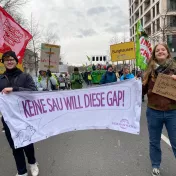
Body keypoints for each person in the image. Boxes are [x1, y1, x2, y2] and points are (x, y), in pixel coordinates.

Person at [0, 51, 39, 176]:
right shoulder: (0, 79)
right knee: (15, 145)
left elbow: (33, 93)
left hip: (24, 117)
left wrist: (14, 89)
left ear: (17, 61)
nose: (9, 61)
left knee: (27, 142)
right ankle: (22, 171)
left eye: (12, 59)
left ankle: (32, 163)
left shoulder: (25, 77)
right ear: (3, 62)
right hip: (8, 119)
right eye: (6, 60)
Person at [143, 43, 176, 176]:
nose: (160, 51)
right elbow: (142, 91)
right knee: (154, 141)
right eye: (158, 50)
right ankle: (155, 165)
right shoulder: (149, 71)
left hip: (173, 112)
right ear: (154, 54)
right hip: (153, 112)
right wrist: (134, 85)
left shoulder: (175, 69)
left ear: (168, 53)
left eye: (163, 49)